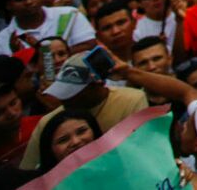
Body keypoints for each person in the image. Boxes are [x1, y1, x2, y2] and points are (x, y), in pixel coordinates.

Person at [18, 53, 149, 169]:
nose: (64, 99)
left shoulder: (132, 100)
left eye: (72, 92)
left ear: (98, 84)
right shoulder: (48, 122)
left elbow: (141, 154)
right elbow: (29, 172)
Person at [35, 109, 100, 173]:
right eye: (63, 140)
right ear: (50, 151)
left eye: (81, 131)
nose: (75, 142)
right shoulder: (46, 182)